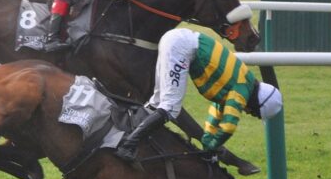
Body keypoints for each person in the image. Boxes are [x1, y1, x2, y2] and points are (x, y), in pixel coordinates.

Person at [115, 27, 284, 164]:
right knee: (170, 107)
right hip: (181, 47)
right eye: (254, 112)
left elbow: (215, 116)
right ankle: (128, 145)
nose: (248, 113)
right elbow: (228, 126)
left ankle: (124, 132)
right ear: (258, 103)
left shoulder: (242, 83)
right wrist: (212, 147)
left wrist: (208, 144)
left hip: (177, 39)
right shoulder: (241, 91)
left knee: (157, 102)